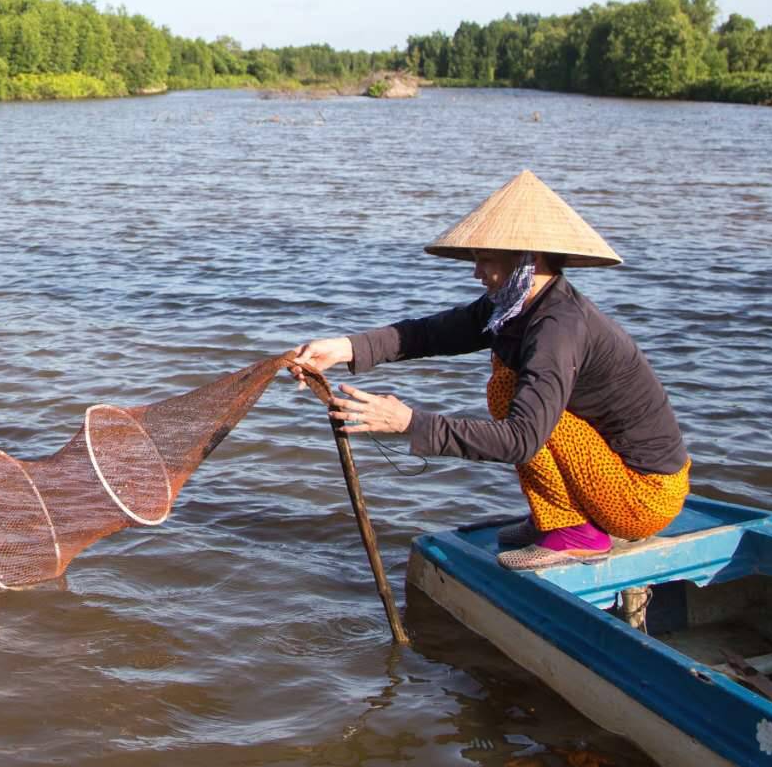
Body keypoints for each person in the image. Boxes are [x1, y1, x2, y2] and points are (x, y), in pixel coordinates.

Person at [289, 170, 690, 571]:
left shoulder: (558, 326)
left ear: (525, 259)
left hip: (644, 497)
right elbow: (428, 334)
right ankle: (559, 517)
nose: (476, 272)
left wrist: (409, 422)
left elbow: (521, 439)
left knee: (507, 389)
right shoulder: (515, 307)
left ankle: (576, 530)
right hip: (612, 478)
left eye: (484, 259)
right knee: (508, 378)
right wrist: (343, 348)